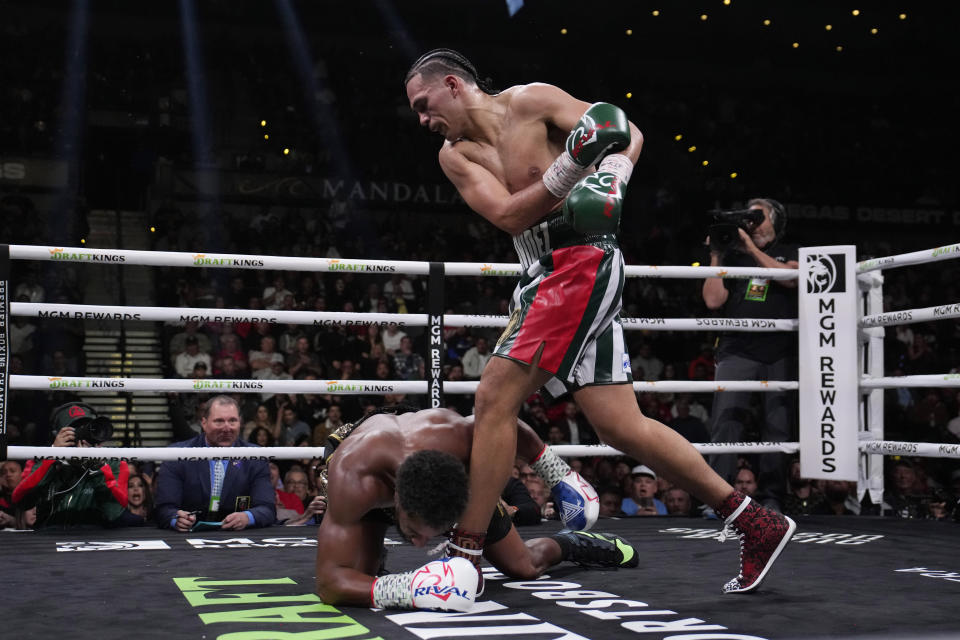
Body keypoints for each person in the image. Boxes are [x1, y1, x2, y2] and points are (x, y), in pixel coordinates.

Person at [404, 48, 794, 595]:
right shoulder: (455, 155)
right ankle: (755, 521)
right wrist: (570, 170)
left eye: (424, 104)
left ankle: (464, 557)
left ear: (451, 84)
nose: (423, 120)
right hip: (541, 268)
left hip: (581, 262)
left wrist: (612, 173)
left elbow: (624, 128)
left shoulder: (533, 102)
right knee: (620, 426)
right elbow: (509, 213)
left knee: (495, 397)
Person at [314, 406, 629, 611]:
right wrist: (409, 588)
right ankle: (377, 557)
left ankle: (574, 544)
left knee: (523, 566)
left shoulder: (455, 439)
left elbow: (500, 420)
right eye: (416, 531)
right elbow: (329, 583)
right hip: (357, 453)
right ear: (399, 502)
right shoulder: (355, 482)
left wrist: (554, 471)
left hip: (432, 459)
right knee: (360, 577)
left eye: (431, 534)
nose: (423, 544)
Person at [701, 197, 799, 511]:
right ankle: (720, 498)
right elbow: (713, 301)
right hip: (736, 350)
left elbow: (790, 278)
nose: (752, 222)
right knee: (725, 423)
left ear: (776, 222)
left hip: (778, 352)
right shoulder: (734, 257)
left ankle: (772, 498)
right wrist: (717, 253)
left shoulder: (790, 252)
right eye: (749, 216)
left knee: (777, 427)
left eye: (759, 216)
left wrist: (751, 250)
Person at [154, 395, 275, 531]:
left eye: (232, 421)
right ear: (204, 423)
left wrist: (248, 517)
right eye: (219, 421)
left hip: (238, 540)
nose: (226, 428)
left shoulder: (255, 457)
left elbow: (267, 508)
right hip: (186, 540)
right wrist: (175, 518)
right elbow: (163, 509)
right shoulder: (177, 455)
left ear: (240, 422)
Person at [11, 402, 131, 529]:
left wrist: (97, 469)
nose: (83, 436)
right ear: (57, 435)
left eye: (88, 428)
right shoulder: (41, 459)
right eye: (74, 430)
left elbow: (114, 513)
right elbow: (20, 500)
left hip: (94, 539)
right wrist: (53, 457)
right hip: (49, 537)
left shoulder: (114, 462)